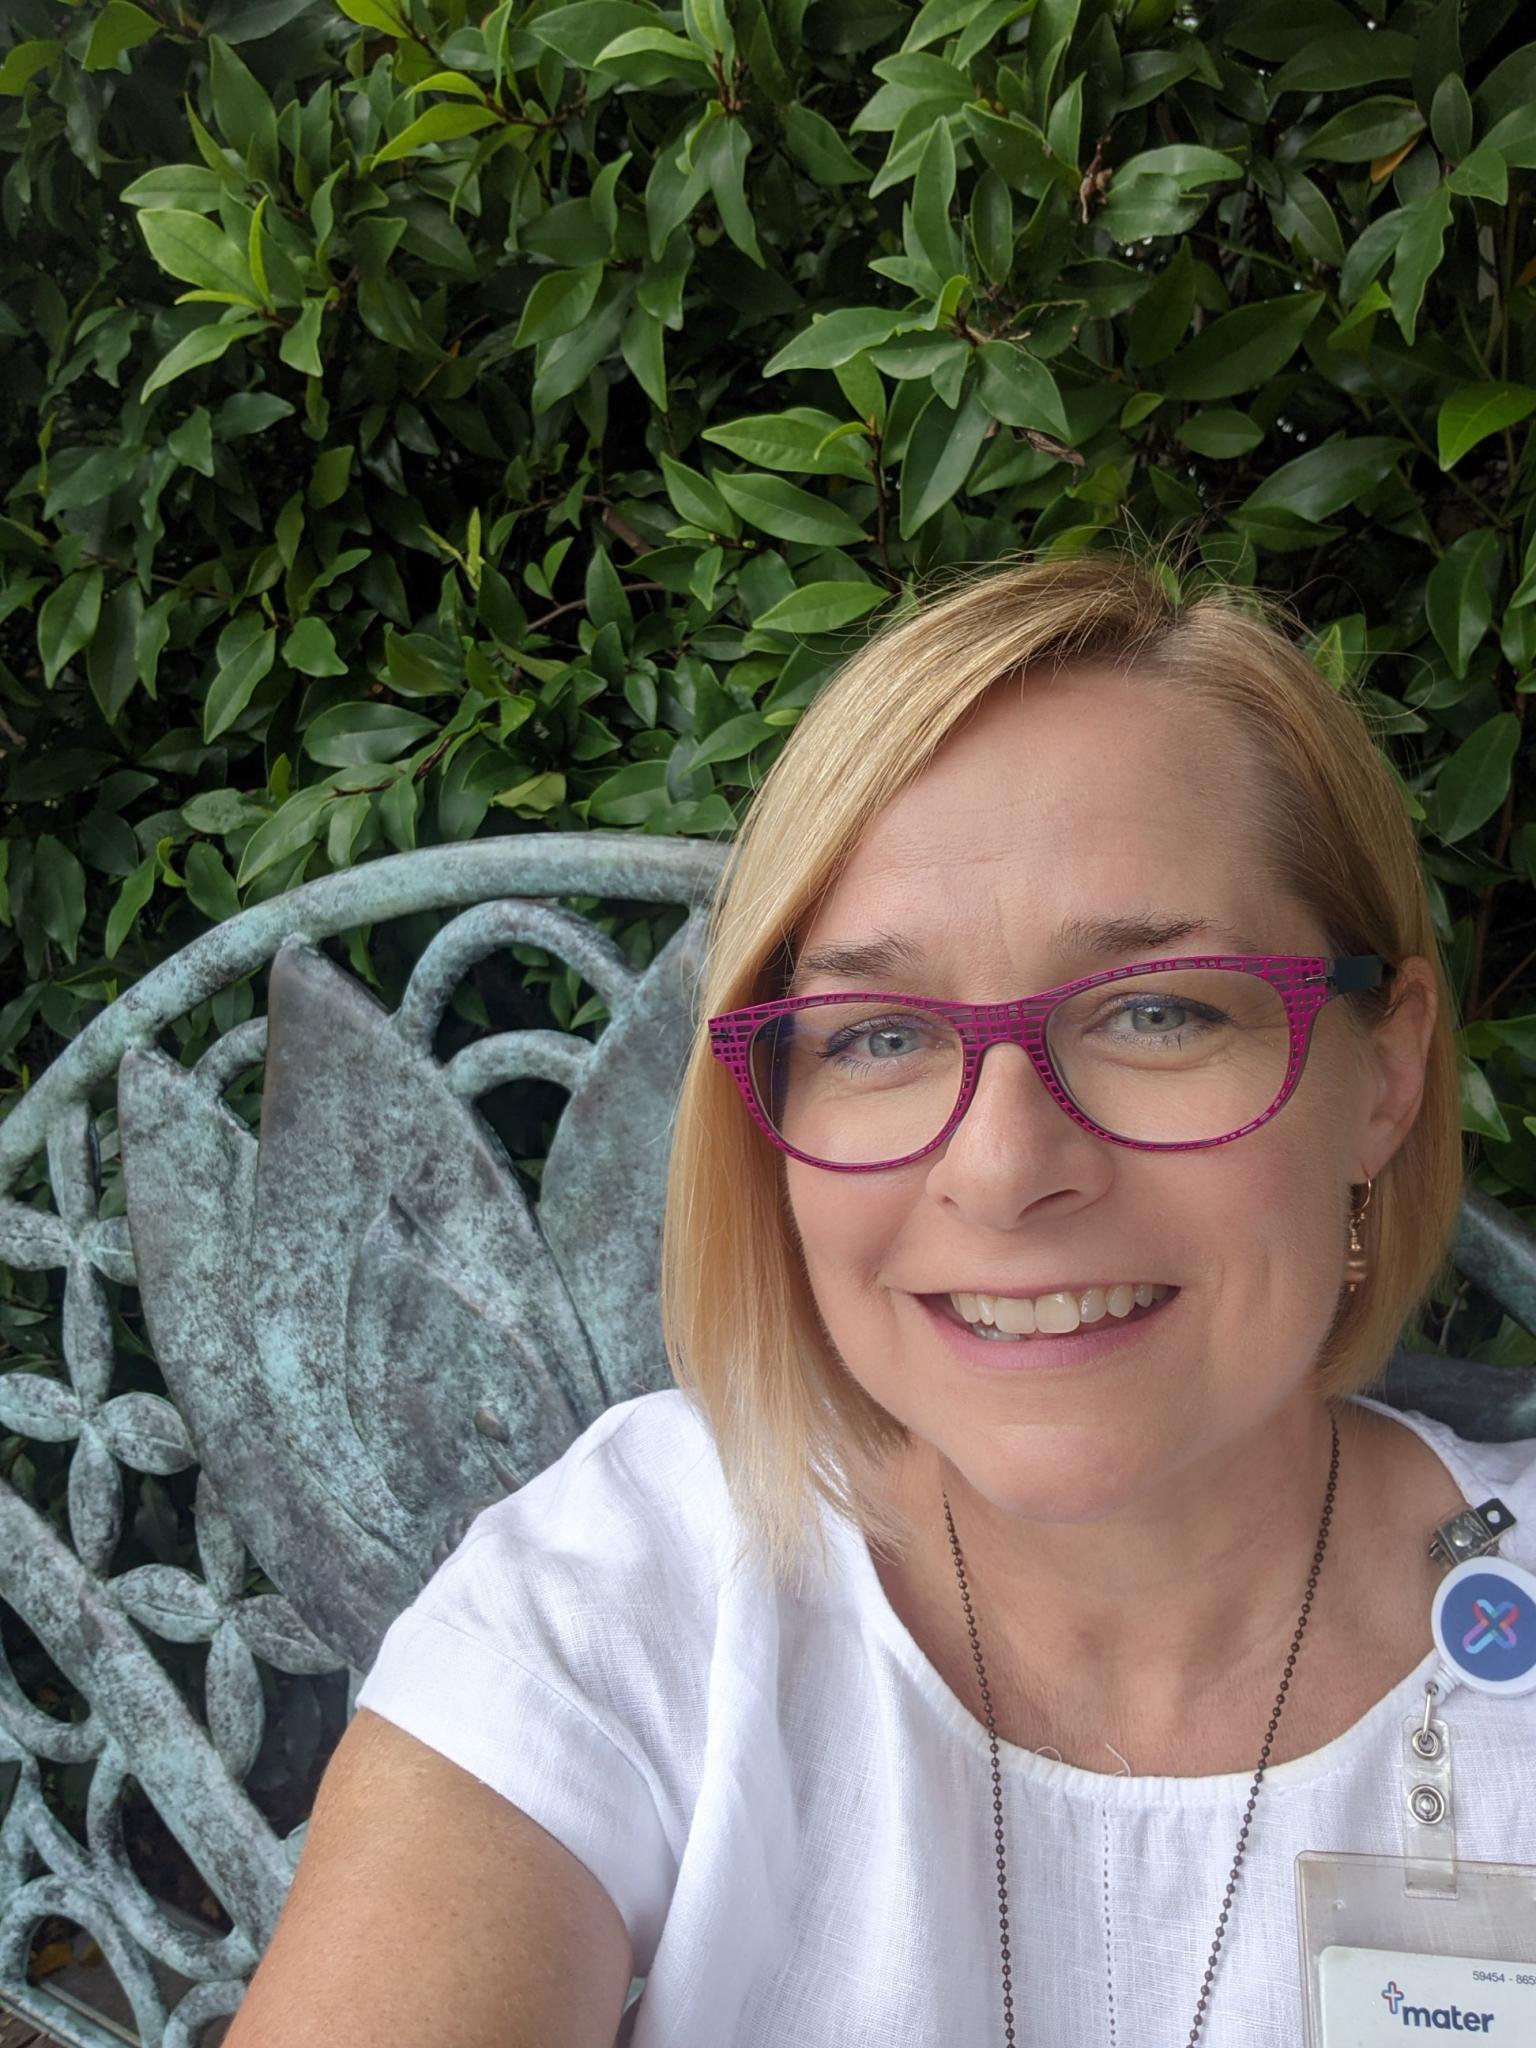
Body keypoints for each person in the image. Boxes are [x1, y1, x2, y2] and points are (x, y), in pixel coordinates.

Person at [224, 554, 1536, 2048]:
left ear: (1388, 1069)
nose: (1002, 1167)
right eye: (880, 1035)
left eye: (1157, 1012)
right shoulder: (639, 1581)